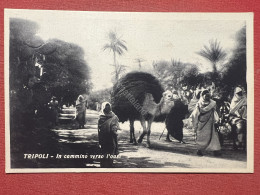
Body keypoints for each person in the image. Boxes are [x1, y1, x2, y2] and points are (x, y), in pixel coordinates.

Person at [191, 90, 221, 156]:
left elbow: (216, 112)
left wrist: (217, 120)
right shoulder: (199, 104)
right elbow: (195, 114)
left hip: (210, 123)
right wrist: (195, 124)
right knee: (201, 136)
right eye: (206, 95)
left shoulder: (213, 103)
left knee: (213, 136)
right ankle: (199, 150)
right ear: (202, 96)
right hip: (202, 123)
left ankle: (215, 150)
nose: (207, 97)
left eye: (208, 96)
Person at [98, 102, 120, 167]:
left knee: (112, 148)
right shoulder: (101, 116)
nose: (107, 108)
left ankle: (110, 163)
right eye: (106, 107)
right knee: (104, 149)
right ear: (103, 108)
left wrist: (114, 128)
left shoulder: (113, 115)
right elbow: (100, 127)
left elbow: (115, 124)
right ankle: (103, 163)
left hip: (111, 135)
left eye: (108, 107)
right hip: (104, 136)